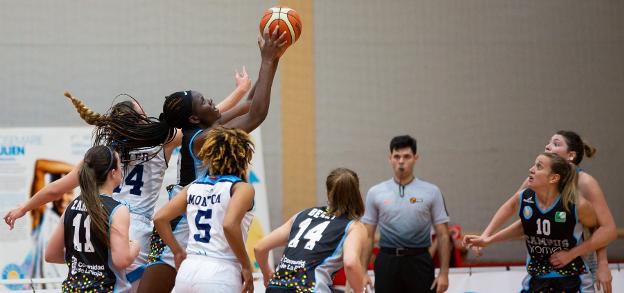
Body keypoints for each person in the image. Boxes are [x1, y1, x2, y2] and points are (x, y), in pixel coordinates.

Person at [4, 77, 249, 291]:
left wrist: (23, 208)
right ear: (141, 119)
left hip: (101, 221)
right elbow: (205, 120)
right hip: (135, 230)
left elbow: (56, 189)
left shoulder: (104, 154)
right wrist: (239, 92)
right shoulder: (162, 142)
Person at [139, 26, 287, 293]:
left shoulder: (206, 130)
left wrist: (274, 58)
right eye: (204, 101)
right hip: (182, 230)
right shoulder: (202, 138)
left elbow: (253, 103)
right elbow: (256, 115)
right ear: (194, 118)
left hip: (192, 230)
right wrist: (267, 59)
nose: (211, 101)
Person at [464, 130, 616, 293]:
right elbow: (515, 209)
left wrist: (602, 264)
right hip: (541, 270)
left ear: (571, 155)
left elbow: (602, 228)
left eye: (556, 144)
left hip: (578, 262)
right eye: (549, 142)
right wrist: (487, 237)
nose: (548, 146)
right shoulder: (535, 181)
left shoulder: (585, 184)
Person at [153, 127, 256, 293]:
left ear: (209, 156)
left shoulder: (193, 186)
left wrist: (178, 251)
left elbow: (160, 218)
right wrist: (246, 265)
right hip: (221, 272)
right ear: (242, 157)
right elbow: (229, 225)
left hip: (188, 269)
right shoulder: (241, 188)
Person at [255, 168, 368, 293]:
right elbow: (351, 263)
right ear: (357, 193)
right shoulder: (354, 226)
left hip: (276, 287)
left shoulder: (302, 215)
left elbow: (260, 247)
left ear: (328, 192)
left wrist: (267, 274)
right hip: (309, 288)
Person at [44, 145, 140, 292]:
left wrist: (83, 260)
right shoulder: (117, 210)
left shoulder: (72, 206)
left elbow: (51, 254)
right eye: (120, 165)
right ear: (113, 173)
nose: (122, 170)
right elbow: (121, 261)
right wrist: (135, 246)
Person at [362, 135, 450, 293]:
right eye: (397, 156)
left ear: (416, 158)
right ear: (390, 159)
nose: (401, 161)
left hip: (420, 261)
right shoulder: (375, 192)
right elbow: (368, 236)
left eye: (406, 156)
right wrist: (362, 272)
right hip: (387, 261)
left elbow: (443, 234)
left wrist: (444, 273)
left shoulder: (432, 192)